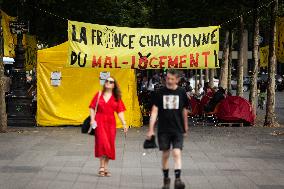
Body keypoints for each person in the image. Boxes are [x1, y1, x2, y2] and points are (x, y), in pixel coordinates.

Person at [147, 69, 189, 189]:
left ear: (177, 80)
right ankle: (166, 179)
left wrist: (186, 127)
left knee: (176, 153)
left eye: (172, 79)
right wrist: (151, 129)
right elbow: (154, 111)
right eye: (168, 78)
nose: (169, 81)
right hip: (163, 130)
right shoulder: (159, 92)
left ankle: (178, 179)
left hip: (178, 129)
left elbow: (184, 111)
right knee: (165, 154)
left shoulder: (181, 92)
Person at [89, 77, 128, 177]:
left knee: (109, 145)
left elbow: (120, 111)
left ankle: (106, 168)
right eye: (106, 81)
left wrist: (124, 123)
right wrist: (92, 119)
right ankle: (101, 166)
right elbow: (92, 107)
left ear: (114, 85)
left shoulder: (116, 97)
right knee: (102, 143)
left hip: (111, 123)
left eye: (111, 82)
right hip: (100, 121)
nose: (108, 83)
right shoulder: (98, 95)